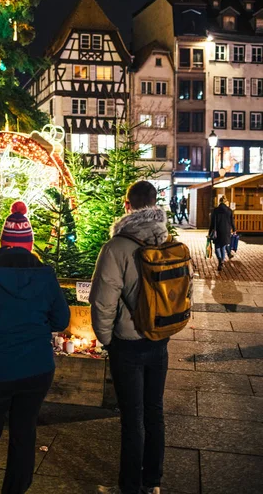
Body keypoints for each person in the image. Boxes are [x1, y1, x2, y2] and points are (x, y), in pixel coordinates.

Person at [0, 201, 70, 494]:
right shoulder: (46, 276)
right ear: (29, 244)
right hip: (37, 369)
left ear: (4, 243)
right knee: (24, 433)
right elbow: (61, 319)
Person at [90, 181, 169, 494]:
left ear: (127, 206)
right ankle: (153, 481)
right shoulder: (167, 241)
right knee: (154, 411)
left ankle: (130, 486)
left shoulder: (117, 248)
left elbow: (102, 302)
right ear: (154, 204)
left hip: (127, 343)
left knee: (132, 417)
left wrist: (107, 339)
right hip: (159, 340)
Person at [209, 195, 236, 271]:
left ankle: (220, 260)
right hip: (226, 231)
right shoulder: (229, 210)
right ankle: (222, 261)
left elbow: (212, 222)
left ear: (220, 202)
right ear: (225, 202)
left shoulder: (215, 210)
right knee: (223, 247)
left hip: (217, 230)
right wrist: (234, 229)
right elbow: (232, 221)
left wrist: (210, 232)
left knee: (217, 247)